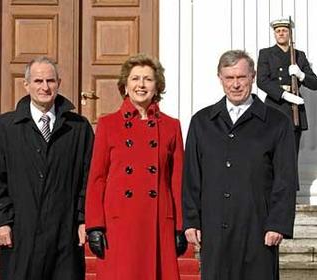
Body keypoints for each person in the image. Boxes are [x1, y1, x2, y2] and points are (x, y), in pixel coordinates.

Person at [183, 50, 298, 280]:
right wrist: (191, 220)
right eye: (229, 78)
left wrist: (278, 223)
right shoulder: (202, 122)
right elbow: (191, 176)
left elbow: (285, 178)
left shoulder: (277, 123)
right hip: (214, 229)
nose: (235, 84)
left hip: (258, 229)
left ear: (253, 76)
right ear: (220, 78)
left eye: (241, 77)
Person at [0, 56, 94, 280]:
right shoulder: (5, 127)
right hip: (20, 232)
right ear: (26, 85)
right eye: (38, 81)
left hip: (65, 232)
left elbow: (88, 178)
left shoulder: (79, 128)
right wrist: (1, 222)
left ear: (59, 83)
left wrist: (83, 219)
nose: (45, 87)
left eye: (50, 81)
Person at [85, 54, 185, 280]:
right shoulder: (107, 124)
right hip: (119, 224)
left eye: (148, 79)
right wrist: (95, 226)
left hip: (159, 222)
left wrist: (180, 226)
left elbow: (177, 180)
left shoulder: (171, 126)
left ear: (157, 85)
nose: (141, 85)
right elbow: (97, 178)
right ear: (125, 85)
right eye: (135, 79)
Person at [257, 18, 317, 152]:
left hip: (295, 106)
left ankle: (291, 174)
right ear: (274, 34)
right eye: (277, 31)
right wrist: (284, 95)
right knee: (272, 149)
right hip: (275, 104)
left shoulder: (299, 55)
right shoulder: (266, 53)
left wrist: (301, 75)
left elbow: (315, 83)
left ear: (289, 33)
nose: (281, 33)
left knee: (292, 149)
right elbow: (261, 81)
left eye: (284, 30)